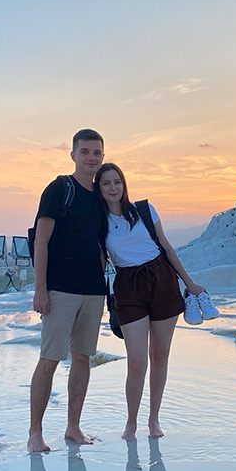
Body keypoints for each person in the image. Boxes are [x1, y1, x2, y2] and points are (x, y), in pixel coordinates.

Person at [94, 162, 215, 441]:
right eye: (106, 183)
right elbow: (99, 263)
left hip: (161, 280)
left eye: (117, 182)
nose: (113, 188)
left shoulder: (145, 211)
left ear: (124, 185)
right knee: (136, 363)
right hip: (128, 286)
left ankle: (154, 420)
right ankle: (131, 423)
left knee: (159, 357)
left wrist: (190, 283)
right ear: (99, 189)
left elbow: (167, 247)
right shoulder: (99, 224)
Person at [28, 129, 107, 453]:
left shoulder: (102, 195)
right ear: (73, 155)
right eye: (85, 151)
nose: (91, 157)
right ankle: (35, 433)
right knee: (49, 359)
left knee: (83, 359)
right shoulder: (60, 188)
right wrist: (41, 289)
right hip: (60, 290)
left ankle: (73, 427)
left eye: (97, 152)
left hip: (93, 290)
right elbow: (42, 241)